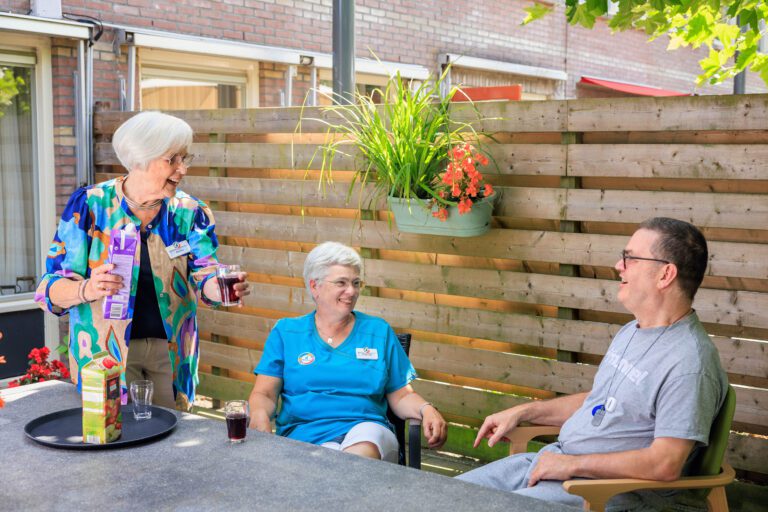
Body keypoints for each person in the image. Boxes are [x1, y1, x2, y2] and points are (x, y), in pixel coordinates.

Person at [457, 217, 728, 511]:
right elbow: (602, 402)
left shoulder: (689, 363)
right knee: (442, 495)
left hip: (603, 493)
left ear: (665, 275)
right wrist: (525, 411)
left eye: (630, 258)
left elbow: (665, 463)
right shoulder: (634, 330)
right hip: (554, 464)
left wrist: (571, 466)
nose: (618, 265)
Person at [35, 111, 249, 410]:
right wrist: (89, 288)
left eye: (185, 158)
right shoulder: (91, 206)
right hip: (104, 354)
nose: (182, 169)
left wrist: (222, 288)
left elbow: (205, 274)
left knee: (171, 435)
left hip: (171, 351)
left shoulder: (189, 212)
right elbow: (50, 288)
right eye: (172, 159)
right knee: (111, 438)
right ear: (140, 158)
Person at [248, 241, 447, 462]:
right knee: (328, 460)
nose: (351, 291)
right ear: (315, 286)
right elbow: (265, 393)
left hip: (368, 432)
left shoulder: (378, 331)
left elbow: (401, 395)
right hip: (305, 437)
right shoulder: (287, 333)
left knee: (358, 454)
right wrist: (258, 413)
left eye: (355, 283)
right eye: (341, 283)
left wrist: (425, 409)